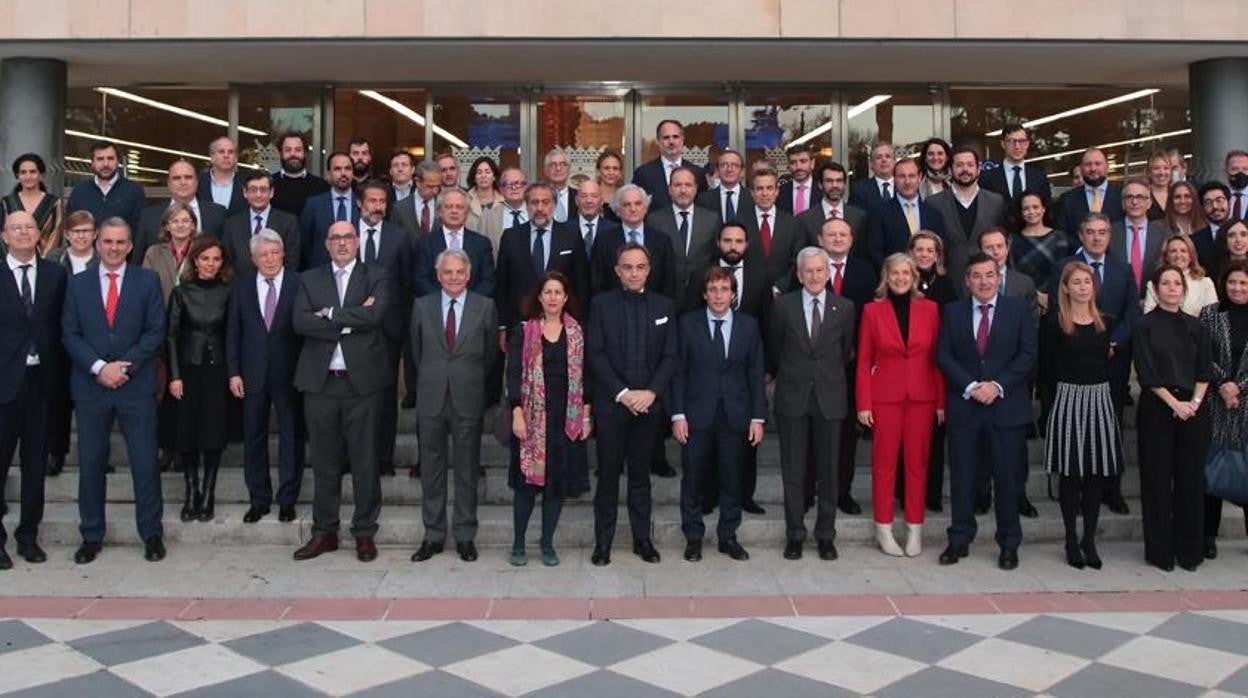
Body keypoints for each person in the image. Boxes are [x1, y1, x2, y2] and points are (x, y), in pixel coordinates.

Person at [62, 217, 167, 564]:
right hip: (91, 388)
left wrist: (124, 366)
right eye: (107, 241)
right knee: (91, 464)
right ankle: (91, 535)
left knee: (144, 463)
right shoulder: (77, 284)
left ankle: (151, 533)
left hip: (134, 386)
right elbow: (70, 334)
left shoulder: (147, 281)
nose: (114, 248)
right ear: (96, 242)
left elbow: (155, 332)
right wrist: (98, 368)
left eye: (120, 242)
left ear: (130, 245)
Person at [290, 221, 392, 563]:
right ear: (326, 243)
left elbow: (374, 315)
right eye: (336, 237)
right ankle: (325, 532)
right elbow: (300, 322)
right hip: (320, 383)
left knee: (365, 461)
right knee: (324, 462)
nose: (343, 243)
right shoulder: (309, 278)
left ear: (358, 241)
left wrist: (330, 314)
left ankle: (364, 533)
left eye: (349, 237)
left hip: (361, 384)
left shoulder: (376, 276)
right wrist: (352, 317)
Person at [935, 252, 1036, 570]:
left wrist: (997, 385)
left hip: (1006, 408)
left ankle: (1008, 543)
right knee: (962, 478)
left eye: (989, 275)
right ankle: (959, 538)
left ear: (999, 277)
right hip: (965, 407)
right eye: (976, 275)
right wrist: (970, 386)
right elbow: (943, 354)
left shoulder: (1018, 311)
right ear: (967, 280)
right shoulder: (952, 312)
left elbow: (1028, 354)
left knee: (1007, 479)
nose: (983, 281)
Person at [586, 243, 677, 565]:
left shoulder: (665, 305)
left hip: (649, 407)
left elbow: (670, 356)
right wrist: (623, 393)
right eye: (628, 267)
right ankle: (603, 543)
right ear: (617, 271)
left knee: (640, 477)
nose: (634, 273)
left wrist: (651, 393)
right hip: (613, 406)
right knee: (608, 476)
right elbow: (594, 353)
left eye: (640, 267)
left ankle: (643, 541)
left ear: (648, 270)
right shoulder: (601, 305)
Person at [410, 248, 499, 563]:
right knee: (432, 471)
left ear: (468, 274)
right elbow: (416, 352)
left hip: (467, 397)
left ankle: (464, 535)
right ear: (438, 275)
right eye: (447, 272)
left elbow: (490, 355)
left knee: (465, 471)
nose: (453, 278)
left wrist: (466, 378)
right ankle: (433, 536)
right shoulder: (421, 306)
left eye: (459, 272)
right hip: (431, 399)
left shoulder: (485, 306)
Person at [672, 266, 765, 562]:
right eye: (712, 289)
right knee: (694, 480)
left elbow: (755, 372)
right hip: (697, 415)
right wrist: (678, 415)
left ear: (733, 294)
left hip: (736, 415)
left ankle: (728, 536)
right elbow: (678, 373)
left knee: (732, 478)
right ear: (704, 294)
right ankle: (694, 538)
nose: (718, 295)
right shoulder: (687, 324)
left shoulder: (749, 326)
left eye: (724, 289)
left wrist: (758, 418)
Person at [769, 247, 855, 561]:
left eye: (820, 270)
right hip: (793, 398)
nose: (815, 276)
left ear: (828, 273)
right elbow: (776, 349)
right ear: (799, 274)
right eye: (809, 271)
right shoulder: (783, 308)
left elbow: (845, 351)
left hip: (830, 400)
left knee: (829, 472)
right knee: (793, 472)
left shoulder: (844, 308)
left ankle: (825, 535)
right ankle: (794, 534)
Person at [1051, 214, 1140, 515]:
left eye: (1103, 232)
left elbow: (1132, 312)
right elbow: (1056, 309)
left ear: (1110, 235)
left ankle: (1110, 490)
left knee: (1109, 426)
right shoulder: (1063, 267)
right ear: (1080, 234)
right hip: (1073, 365)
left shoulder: (1123, 269)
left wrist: (1112, 341)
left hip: (1111, 362)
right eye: (1090, 232)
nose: (1097, 238)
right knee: (1075, 435)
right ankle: (1073, 493)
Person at [856, 253, 944, 557]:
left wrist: (941, 402)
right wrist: (863, 403)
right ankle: (883, 528)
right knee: (884, 465)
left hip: (922, 397)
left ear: (915, 276)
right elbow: (864, 361)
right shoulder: (871, 311)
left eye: (906, 272)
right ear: (886, 276)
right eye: (895, 273)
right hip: (885, 397)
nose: (901, 277)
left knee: (917, 465)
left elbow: (937, 360)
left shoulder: (931, 309)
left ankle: (914, 528)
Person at [1038, 262, 1122, 570]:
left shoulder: (1106, 323)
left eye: (1087, 281)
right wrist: (1048, 411)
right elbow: (1045, 369)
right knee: (1071, 474)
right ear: (1065, 287)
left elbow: (1107, 366)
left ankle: (1090, 539)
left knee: (1096, 474)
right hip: (1067, 398)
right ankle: (1071, 539)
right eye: (1077, 282)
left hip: (1098, 399)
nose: (1083, 287)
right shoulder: (1053, 323)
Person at [506, 272, 591, 567]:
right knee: (526, 485)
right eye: (548, 292)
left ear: (566, 297)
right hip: (531, 418)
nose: (553, 297)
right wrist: (516, 411)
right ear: (539, 297)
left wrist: (586, 414)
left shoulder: (578, 333)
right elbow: (513, 372)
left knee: (556, 486)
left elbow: (585, 376)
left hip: (565, 418)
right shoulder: (525, 331)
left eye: (558, 292)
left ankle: (547, 543)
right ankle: (518, 544)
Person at [0, 211, 68, 568]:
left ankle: (28, 536)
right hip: (4, 383)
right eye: (16, 228)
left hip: (43, 383)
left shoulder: (56, 275)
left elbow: (62, 325)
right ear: (4, 235)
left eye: (29, 227)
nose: (24, 233)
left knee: (35, 464)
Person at [1135, 264, 1211, 572]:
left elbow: (1204, 370)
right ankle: (1159, 551)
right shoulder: (1144, 325)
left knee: (1190, 482)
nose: (1171, 288)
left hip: (1193, 410)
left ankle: (1189, 550)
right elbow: (1146, 372)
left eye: (1176, 283)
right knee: (1156, 481)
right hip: (1158, 408)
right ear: (1155, 288)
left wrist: (1191, 403)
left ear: (1184, 289)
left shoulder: (1198, 326)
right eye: (1165, 283)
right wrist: (1174, 404)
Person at [227, 229, 304, 524]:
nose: (270, 259)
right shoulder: (242, 288)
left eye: (274, 253)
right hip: (252, 375)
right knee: (253, 437)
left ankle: (287, 499)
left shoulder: (300, 284)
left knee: (291, 437)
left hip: (290, 374)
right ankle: (258, 499)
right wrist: (233, 372)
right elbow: (233, 333)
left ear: (283, 253)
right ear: (253, 258)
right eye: (263, 255)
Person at [165, 236, 233, 522]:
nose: (210, 264)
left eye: (216, 259)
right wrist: (175, 376)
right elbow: (170, 336)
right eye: (205, 259)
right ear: (195, 261)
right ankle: (191, 491)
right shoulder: (182, 293)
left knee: (213, 431)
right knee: (187, 431)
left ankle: (208, 493)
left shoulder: (229, 292)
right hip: (188, 370)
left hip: (217, 370)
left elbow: (233, 333)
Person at [818, 218, 875, 515]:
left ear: (852, 239)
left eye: (843, 234)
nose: (837, 239)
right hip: (816, 367)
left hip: (853, 365)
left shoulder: (866, 271)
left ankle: (842, 491)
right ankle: (812, 489)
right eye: (831, 234)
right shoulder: (808, 268)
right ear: (820, 238)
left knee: (846, 435)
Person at [355, 180, 412, 477]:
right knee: (351, 397)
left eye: (382, 201)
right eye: (372, 201)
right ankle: (350, 458)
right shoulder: (345, 235)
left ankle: (383, 459)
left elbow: (405, 284)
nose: (377, 206)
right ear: (359, 204)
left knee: (386, 397)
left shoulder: (399, 237)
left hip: (387, 330)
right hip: (350, 329)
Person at [142, 202, 199, 471]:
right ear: (166, 226)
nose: (180, 226)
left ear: (193, 225)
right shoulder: (154, 252)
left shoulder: (202, 251)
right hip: (161, 328)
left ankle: (185, 449)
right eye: (175, 221)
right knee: (163, 393)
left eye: (186, 220)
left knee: (187, 395)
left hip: (192, 331)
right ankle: (166, 448)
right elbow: (145, 289)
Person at [1198, 261, 1248, 561]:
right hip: (1215, 402)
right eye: (1233, 283)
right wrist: (1224, 384)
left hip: (1245, 404)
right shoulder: (1210, 314)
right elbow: (1202, 354)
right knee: (1212, 470)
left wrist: (1239, 387)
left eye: (1243, 283)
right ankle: (1208, 536)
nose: (1238, 288)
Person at [496, 182, 589, 338]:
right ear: (526, 206)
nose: (539, 208)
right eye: (534, 202)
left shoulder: (571, 235)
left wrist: (580, 323)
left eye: (545, 202)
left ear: (554, 205)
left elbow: (581, 283)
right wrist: (503, 326)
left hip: (561, 323)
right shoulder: (511, 237)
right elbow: (502, 284)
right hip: (520, 323)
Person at [44, 212, 97, 477]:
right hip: (60, 340)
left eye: (86, 231)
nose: (81, 236)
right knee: (59, 400)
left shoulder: (103, 259)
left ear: (95, 234)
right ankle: (57, 451)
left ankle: (97, 454)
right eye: (76, 231)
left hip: (95, 340)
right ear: (66, 234)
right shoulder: (54, 260)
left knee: (94, 402)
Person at [908, 231, 957, 513]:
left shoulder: (946, 285)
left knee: (935, 438)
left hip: (937, 367)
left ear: (938, 255)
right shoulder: (901, 279)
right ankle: (906, 493)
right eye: (919, 249)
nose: (924, 254)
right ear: (911, 252)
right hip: (908, 367)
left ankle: (933, 494)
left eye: (930, 250)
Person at [927, 146, 1007, 284]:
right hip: (948, 280)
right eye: (959, 165)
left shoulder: (996, 201)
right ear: (950, 170)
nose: (965, 170)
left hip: (987, 281)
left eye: (970, 165)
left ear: (978, 170)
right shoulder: (933, 203)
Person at [644, 166, 719, 309]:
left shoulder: (712, 219)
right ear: (669, 189)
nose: (683, 190)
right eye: (678, 185)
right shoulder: (654, 220)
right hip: (665, 297)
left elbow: (715, 257)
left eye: (688, 185)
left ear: (696, 188)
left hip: (702, 298)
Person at [590, 184, 678, 299]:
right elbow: (597, 281)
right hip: (614, 308)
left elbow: (669, 282)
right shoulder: (604, 240)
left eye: (638, 203)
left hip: (653, 308)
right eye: (627, 205)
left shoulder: (662, 241)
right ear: (618, 210)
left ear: (646, 208)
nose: (633, 209)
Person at [134, 159, 227, 265]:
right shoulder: (149, 216)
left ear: (196, 182)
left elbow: (225, 255)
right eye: (176, 178)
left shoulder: (218, 213)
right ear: (168, 184)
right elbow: (138, 259)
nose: (183, 182)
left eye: (188, 177)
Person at [866, 158, 948, 270]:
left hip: (928, 281)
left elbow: (940, 250)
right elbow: (874, 251)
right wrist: (893, 272)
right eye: (901, 176)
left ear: (920, 178)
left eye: (912, 176)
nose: (907, 181)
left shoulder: (934, 214)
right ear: (894, 179)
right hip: (894, 279)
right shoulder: (879, 213)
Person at [222, 170, 301, 278]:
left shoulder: (288, 221)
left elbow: (292, 261)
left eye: (263, 190)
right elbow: (227, 260)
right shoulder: (231, 224)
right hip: (241, 287)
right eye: (253, 190)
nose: (258, 195)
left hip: (277, 288)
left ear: (271, 192)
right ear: (245, 192)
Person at [741, 167, 807, 294]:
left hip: (783, 294)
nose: (765, 193)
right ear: (752, 192)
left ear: (777, 191)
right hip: (748, 294)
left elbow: (798, 261)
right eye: (759, 189)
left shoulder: (793, 224)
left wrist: (781, 286)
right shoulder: (740, 223)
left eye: (769, 188)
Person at [66, 140, 145, 234]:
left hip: (121, 248)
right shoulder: (79, 191)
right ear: (92, 163)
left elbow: (140, 230)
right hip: (87, 248)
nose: (105, 164)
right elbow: (70, 226)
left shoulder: (134, 191)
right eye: (100, 159)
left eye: (110, 158)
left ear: (117, 162)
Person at [299, 152, 359, 269]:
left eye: (347, 168)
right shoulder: (313, 204)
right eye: (337, 169)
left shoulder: (362, 203)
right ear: (328, 173)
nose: (343, 173)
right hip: (321, 273)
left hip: (356, 274)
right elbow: (304, 244)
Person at [1011, 191, 1070, 309]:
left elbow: (1062, 271)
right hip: (1022, 299)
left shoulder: (1059, 237)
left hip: (1054, 300)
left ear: (1043, 209)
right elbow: (1013, 273)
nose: (1031, 212)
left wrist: (1048, 296)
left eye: (1035, 207)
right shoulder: (1012, 240)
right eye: (1026, 208)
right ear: (1021, 212)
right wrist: (1036, 295)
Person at [632, 119, 707, 209]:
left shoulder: (697, 173)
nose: (671, 142)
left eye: (675, 137)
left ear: (682, 140)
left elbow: (702, 206)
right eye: (666, 137)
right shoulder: (643, 174)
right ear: (659, 141)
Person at [1111, 178, 1167, 295]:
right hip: (1117, 299)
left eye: (1140, 197)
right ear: (1122, 204)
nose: (1134, 202)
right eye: (1129, 197)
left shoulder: (1164, 234)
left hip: (1154, 299)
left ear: (1149, 203)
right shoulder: (1109, 232)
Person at [3, 154, 63, 257]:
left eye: (33, 172)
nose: (28, 176)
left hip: (45, 261)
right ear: (17, 175)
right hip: (13, 260)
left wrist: (44, 260)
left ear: (41, 175)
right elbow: (3, 233)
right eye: (23, 172)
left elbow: (57, 233)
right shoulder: (7, 202)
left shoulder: (54, 202)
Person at [1056, 148, 1124, 236]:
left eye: (1098, 164)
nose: (1093, 168)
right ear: (1081, 168)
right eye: (1088, 164)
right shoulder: (1067, 199)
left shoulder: (1122, 195)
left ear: (1107, 167)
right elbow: (1062, 235)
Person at [1143, 234, 1218, 314]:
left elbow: (1213, 320)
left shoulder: (1205, 283)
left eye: (1183, 251)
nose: (1178, 255)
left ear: (1191, 256)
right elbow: (1149, 319)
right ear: (1166, 257)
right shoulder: (1153, 285)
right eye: (1173, 251)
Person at [979, 124, 1053, 205]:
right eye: (1011, 141)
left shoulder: (1039, 177)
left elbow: (1046, 209)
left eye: (1021, 141)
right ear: (1003, 144)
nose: (1017, 146)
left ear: (1027, 144)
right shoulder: (987, 178)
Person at [797, 160, 867, 244]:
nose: (835, 185)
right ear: (820, 185)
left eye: (839, 181)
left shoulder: (859, 217)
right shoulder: (804, 220)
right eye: (829, 181)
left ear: (845, 185)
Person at [271, 131, 329, 218]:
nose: (293, 154)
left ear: (305, 153)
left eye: (298, 150)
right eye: (288, 150)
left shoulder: (321, 187)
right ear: (280, 153)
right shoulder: (269, 184)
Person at [696, 149, 753, 223]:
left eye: (734, 165)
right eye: (724, 165)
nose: (729, 169)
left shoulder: (752, 197)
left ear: (742, 171)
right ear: (717, 170)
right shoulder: (703, 199)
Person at [573, 180, 621, 260]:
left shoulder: (615, 230)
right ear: (576, 201)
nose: (589, 201)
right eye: (584, 196)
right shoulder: (564, 230)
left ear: (602, 201)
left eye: (594, 196)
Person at [200, 136, 248, 216]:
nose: (226, 155)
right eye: (221, 152)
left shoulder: (246, 183)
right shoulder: (198, 182)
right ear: (212, 157)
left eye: (230, 152)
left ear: (235, 158)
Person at [1192, 182, 1232, 271]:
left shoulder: (1244, 233)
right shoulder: (1195, 240)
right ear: (1202, 208)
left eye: (1219, 200)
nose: (1215, 206)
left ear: (1229, 203)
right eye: (1208, 202)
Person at [849, 142, 896, 211]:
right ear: (871, 163)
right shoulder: (860, 190)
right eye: (879, 157)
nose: (884, 160)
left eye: (888, 156)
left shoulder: (905, 186)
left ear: (895, 162)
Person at [777, 143, 822, 214]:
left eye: (803, 161)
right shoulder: (779, 193)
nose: (798, 167)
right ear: (788, 165)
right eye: (793, 162)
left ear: (812, 163)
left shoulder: (823, 191)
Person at [465, 155, 501, 232]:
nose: (483, 176)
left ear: (494, 177)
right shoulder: (464, 199)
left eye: (487, 172)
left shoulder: (504, 200)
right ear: (474, 177)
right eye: (479, 172)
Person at [1210, 219, 1248, 288]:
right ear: (1224, 240)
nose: (1238, 240)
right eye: (1231, 236)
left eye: (1243, 235)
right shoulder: (1213, 271)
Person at [544, 149, 577, 223]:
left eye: (563, 164)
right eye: (553, 165)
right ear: (546, 170)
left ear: (569, 169)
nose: (558, 168)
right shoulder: (538, 196)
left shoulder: (579, 196)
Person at [595, 149, 624, 220]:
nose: (611, 172)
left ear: (620, 173)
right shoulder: (590, 196)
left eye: (615, 168)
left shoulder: (625, 197)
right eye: (607, 168)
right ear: (598, 171)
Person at [1145, 150, 1173, 220]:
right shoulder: (1143, 195)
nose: (1162, 173)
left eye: (1166, 168)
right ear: (1149, 172)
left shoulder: (1176, 194)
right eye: (1156, 168)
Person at [1225, 149, 1248, 222]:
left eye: (1245, 169)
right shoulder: (1220, 197)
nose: (1240, 173)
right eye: (1235, 169)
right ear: (1226, 171)